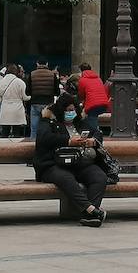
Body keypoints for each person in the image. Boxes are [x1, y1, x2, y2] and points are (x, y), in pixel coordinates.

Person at [33, 95, 108, 226]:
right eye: (67, 110)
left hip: (79, 163)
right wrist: (68, 141)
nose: (70, 113)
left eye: (72, 110)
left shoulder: (80, 123)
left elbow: (97, 133)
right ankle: (90, 209)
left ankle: (90, 215)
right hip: (53, 165)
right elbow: (44, 138)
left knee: (99, 176)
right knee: (66, 179)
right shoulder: (49, 122)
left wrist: (93, 141)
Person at [0, 65, 28, 139]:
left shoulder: (1, 82)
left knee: (4, 132)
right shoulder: (20, 82)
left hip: (5, 109)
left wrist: (4, 100)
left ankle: (4, 145)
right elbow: (25, 97)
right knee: (16, 132)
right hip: (17, 109)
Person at [27, 61, 58, 141]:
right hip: (48, 103)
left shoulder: (32, 74)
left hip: (35, 102)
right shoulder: (52, 74)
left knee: (34, 126)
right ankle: (47, 141)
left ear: (37, 64)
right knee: (48, 124)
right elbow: (57, 91)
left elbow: (27, 91)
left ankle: (33, 142)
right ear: (47, 64)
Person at [77, 64, 109, 135]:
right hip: (103, 103)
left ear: (81, 71)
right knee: (93, 117)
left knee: (91, 118)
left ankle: (95, 135)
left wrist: (81, 101)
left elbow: (81, 95)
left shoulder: (82, 80)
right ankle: (92, 132)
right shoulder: (98, 78)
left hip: (92, 104)